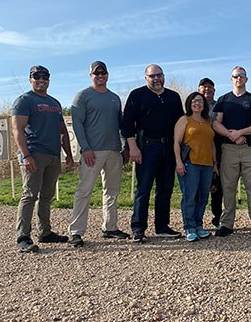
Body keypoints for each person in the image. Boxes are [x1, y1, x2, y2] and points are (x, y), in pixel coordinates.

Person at [11, 65, 73, 252]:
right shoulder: (24, 101)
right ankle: (23, 236)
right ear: (30, 79)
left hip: (53, 155)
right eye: (36, 76)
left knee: (47, 196)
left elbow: (63, 132)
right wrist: (26, 155)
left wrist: (68, 155)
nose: (41, 79)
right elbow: (17, 129)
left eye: (45, 76)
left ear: (49, 79)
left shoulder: (55, 103)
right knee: (30, 195)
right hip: (34, 154)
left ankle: (45, 232)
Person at [68, 61, 129, 247]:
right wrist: (85, 148)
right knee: (84, 191)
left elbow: (121, 125)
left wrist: (125, 147)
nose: (100, 75)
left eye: (103, 72)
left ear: (108, 74)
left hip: (113, 151)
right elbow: (77, 124)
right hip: (92, 152)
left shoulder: (114, 98)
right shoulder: (83, 96)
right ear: (91, 75)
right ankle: (76, 232)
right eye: (97, 73)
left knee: (112, 192)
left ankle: (110, 227)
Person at [122, 64, 184, 243]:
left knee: (165, 189)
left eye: (159, 75)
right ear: (146, 78)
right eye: (152, 76)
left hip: (169, 147)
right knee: (143, 189)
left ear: (163, 76)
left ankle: (162, 227)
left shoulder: (173, 97)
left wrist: (179, 148)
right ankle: (138, 228)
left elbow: (180, 124)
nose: (156, 79)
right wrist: (132, 147)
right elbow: (127, 124)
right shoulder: (137, 95)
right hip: (146, 147)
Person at [212, 66, 251, 237]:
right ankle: (226, 223)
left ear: (246, 79)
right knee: (228, 187)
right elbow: (215, 123)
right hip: (229, 149)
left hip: (250, 148)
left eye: (242, 76)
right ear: (231, 79)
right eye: (236, 76)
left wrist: (241, 133)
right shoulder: (223, 100)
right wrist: (231, 135)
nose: (239, 79)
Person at [174, 92, 217, 242]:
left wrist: (215, 163)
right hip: (190, 163)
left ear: (204, 104)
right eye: (194, 101)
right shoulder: (184, 120)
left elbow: (211, 144)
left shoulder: (207, 121)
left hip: (207, 164)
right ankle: (189, 227)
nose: (197, 103)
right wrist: (178, 162)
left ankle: (199, 225)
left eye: (200, 101)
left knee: (203, 196)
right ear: (189, 103)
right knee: (190, 196)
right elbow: (176, 142)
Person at [197, 77, 224, 228]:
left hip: (217, 148)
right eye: (203, 87)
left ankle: (217, 216)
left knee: (217, 186)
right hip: (198, 150)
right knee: (199, 187)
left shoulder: (219, 106)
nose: (206, 89)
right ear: (199, 90)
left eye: (209, 87)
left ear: (214, 90)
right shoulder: (193, 106)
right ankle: (196, 219)